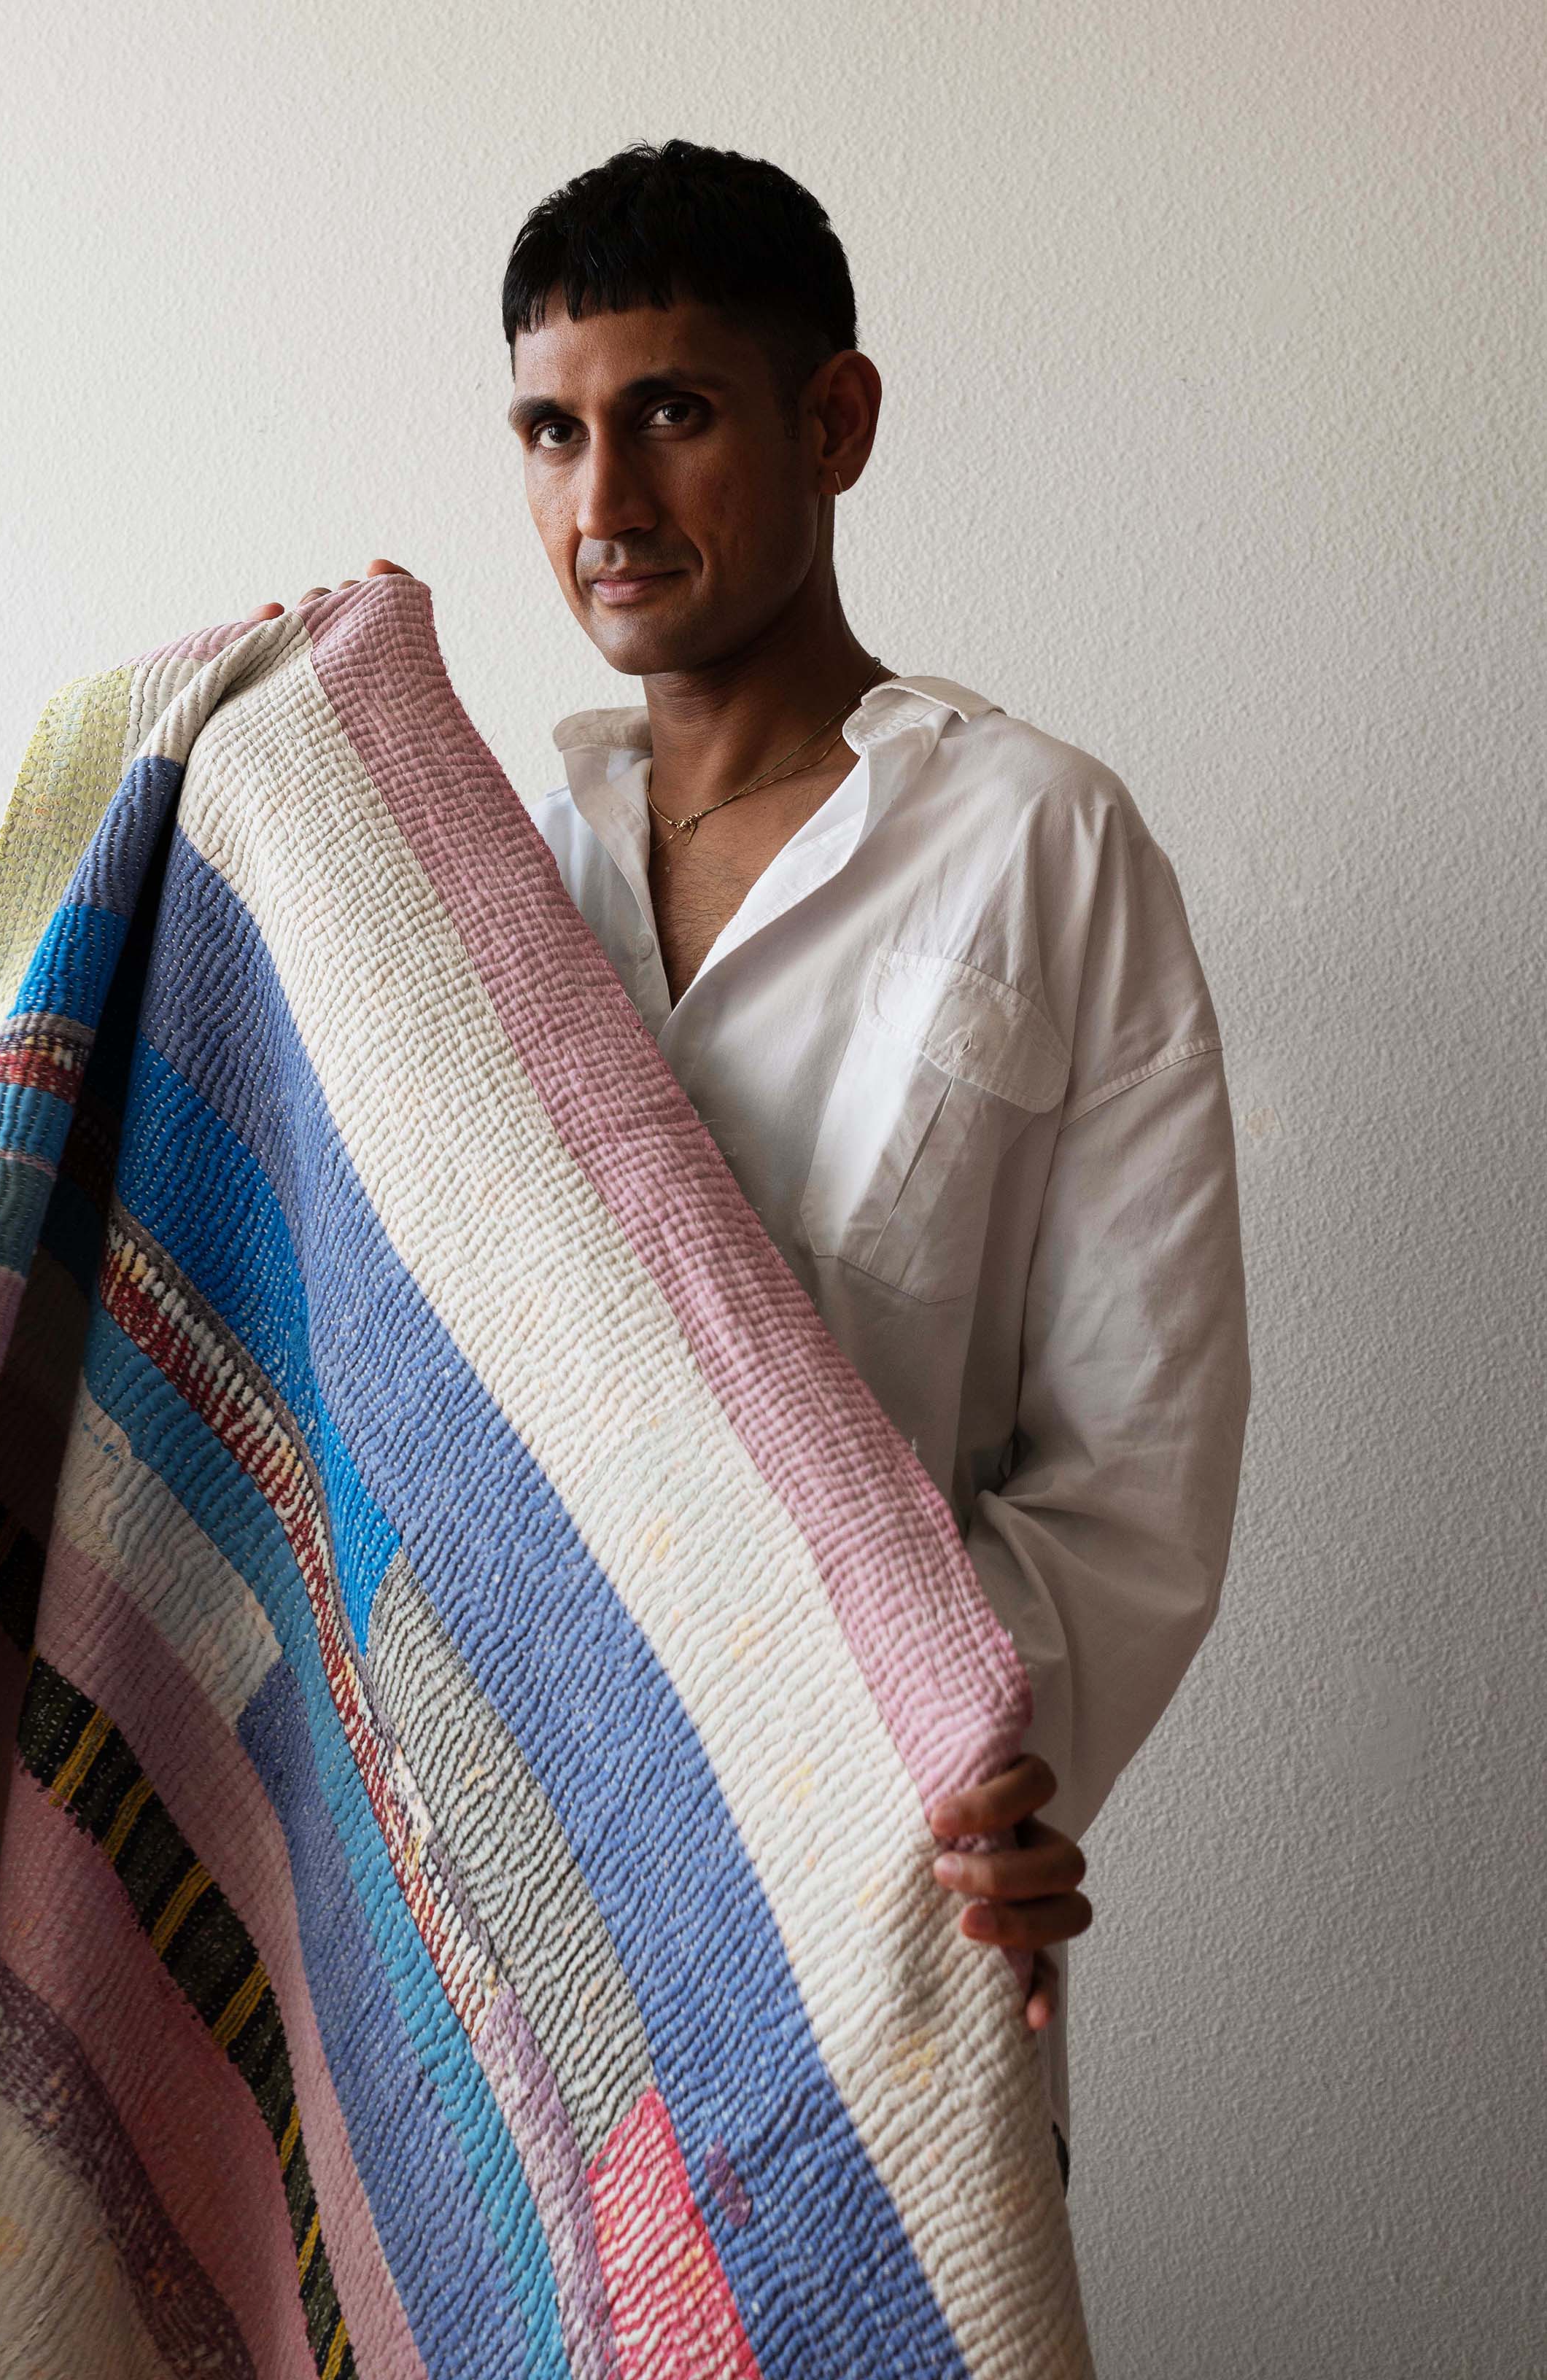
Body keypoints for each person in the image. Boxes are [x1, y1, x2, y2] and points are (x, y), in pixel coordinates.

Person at [249, 138, 1252, 2198]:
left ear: (836, 423)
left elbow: (1136, 1466)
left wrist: (953, 1756)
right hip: (485, 1898)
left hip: (885, 1877)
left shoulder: (1038, 846)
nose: (603, 502)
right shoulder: (478, 877)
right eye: (552, 433)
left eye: (674, 414)